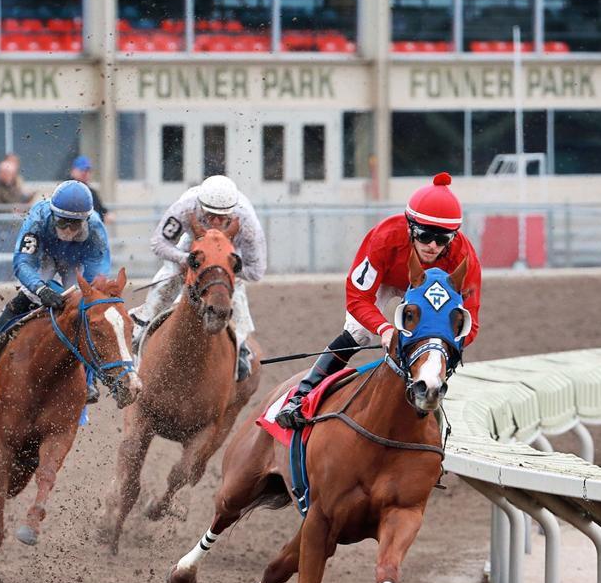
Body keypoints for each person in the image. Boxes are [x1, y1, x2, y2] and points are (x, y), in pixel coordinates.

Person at [275, 172, 483, 429]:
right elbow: (357, 298)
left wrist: (435, 343)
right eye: (424, 235)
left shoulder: (465, 259)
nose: (432, 246)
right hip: (387, 281)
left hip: (430, 293)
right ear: (410, 227)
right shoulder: (385, 237)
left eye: (442, 240)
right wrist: (384, 329)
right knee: (359, 333)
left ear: (453, 237)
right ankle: (301, 395)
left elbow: (469, 326)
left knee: (438, 342)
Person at [0, 179, 111, 402]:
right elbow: (23, 262)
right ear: (53, 215)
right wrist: (41, 289)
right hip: (45, 256)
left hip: (75, 263)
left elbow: (97, 277)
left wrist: (82, 297)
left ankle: (89, 380)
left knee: (85, 310)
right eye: (63, 223)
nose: (69, 230)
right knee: (28, 295)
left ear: (86, 220)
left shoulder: (96, 229)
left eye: (75, 225)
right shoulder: (38, 218)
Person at [130, 174, 265, 381]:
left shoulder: (247, 223)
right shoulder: (185, 208)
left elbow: (256, 271)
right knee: (167, 280)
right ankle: (142, 325)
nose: (216, 222)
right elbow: (158, 243)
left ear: (233, 213)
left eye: (222, 218)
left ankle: (241, 346)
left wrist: (223, 267)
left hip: (227, 254)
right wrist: (184, 259)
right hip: (192, 248)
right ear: (200, 207)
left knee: (235, 294)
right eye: (210, 215)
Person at [69, 155, 111, 224]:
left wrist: (104, 216)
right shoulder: (66, 190)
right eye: (81, 170)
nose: (84, 173)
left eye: (87, 170)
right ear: (73, 171)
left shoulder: (91, 192)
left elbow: (101, 211)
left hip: (90, 231)